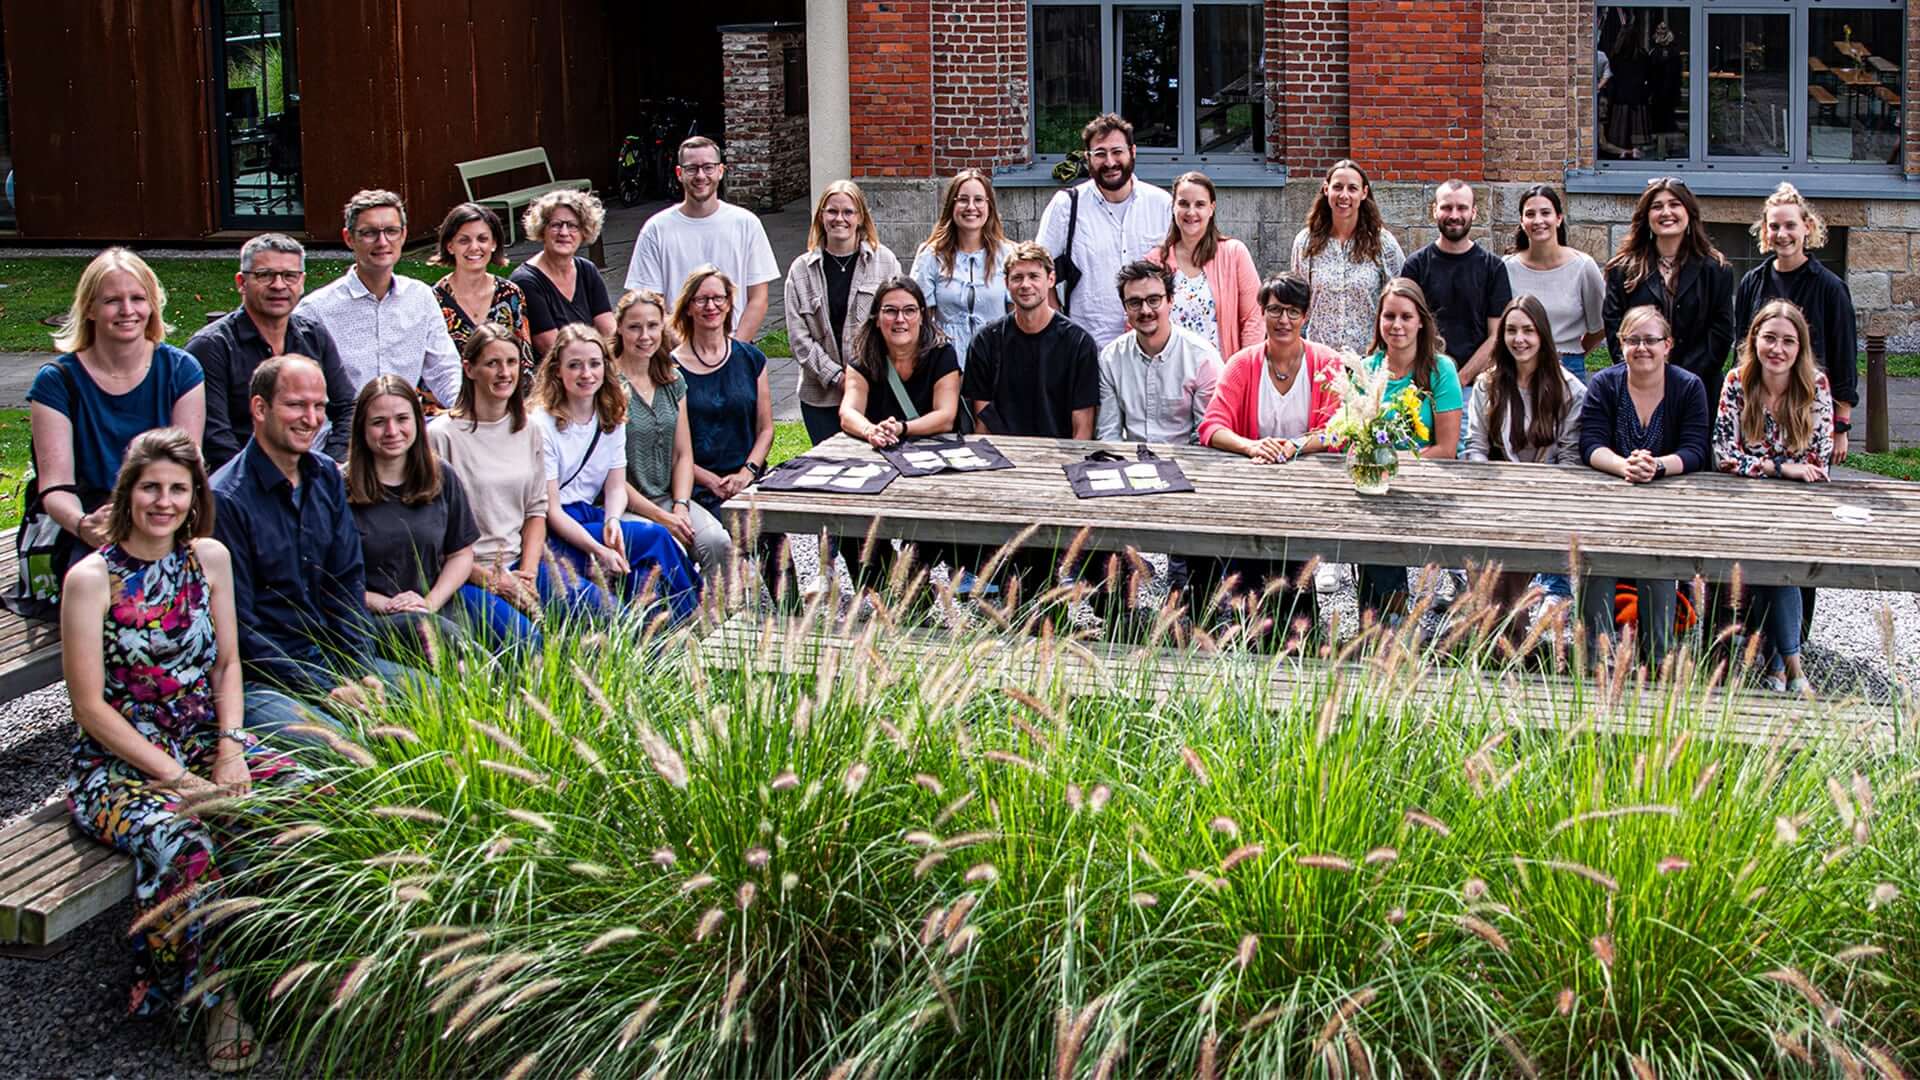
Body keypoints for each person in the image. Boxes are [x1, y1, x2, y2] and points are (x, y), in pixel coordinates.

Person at [61, 429, 306, 1070]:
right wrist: (176, 778)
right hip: (119, 765)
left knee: (305, 793)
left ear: (195, 494)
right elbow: (90, 707)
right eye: (151, 488)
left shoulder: (209, 559)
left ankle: (292, 973)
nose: (164, 502)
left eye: (177, 488)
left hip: (203, 737)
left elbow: (227, 664)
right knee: (187, 844)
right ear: (127, 493)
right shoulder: (90, 579)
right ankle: (213, 1000)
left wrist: (229, 751)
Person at [209, 355, 421, 737]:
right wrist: (325, 688)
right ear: (260, 408)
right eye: (296, 405)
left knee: (435, 702)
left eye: (319, 406)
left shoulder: (325, 476)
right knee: (339, 749)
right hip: (265, 676)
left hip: (335, 656)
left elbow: (346, 584)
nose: (311, 418)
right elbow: (240, 628)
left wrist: (362, 670)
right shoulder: (227, 500)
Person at [29, 247, 206, 592]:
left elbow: (185, 468)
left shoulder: (181, 371)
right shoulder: (56, 381)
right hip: (93, 520)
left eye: (138, 298)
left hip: (165, 511)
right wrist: (84, 526)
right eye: (112, 300)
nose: (127, 311)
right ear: (90, 308)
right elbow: (55, 485)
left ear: (152, 305)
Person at [428, 325, 590, 647]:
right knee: (531, 644)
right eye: (493, 363)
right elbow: (432, 535)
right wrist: (496, 582)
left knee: (602, 615)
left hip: (521, 565)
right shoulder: (441, 436)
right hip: (467, 576)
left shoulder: (527, 429)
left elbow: (536, 510)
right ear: (469, 368)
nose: (505, 373)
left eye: (512, 362)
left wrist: (527, 576)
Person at [530, 325, 699, 618]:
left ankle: (660, 640)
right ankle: (695, 616)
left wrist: (612, 520)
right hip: (554, 529)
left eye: (594, 364)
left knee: (640, 567)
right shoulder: (542, 424)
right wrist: (599, 549)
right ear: (557, 370)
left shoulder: (611, 413)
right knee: (655, 538)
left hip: (592, 515)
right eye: (575, 365)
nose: (586, 374)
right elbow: (552, 511)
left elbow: (616, 487)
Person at [1578, 305, 1712, 666]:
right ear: (1620, 344)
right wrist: (1626, 467)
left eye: (1651, 340)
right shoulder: (1605, 384)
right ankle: (1594, 660)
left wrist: (1656, 467)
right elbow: (1590, 444)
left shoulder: (1687, 386)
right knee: (1598, 560)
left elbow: (1697, 449)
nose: (1642, 348)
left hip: (1668, 504)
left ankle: (1658, 659)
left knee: (1659, 562)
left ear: (1667, 345)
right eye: (1632, 340)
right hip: (1613, 499)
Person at [1714, 300, 1833, 693]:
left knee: (1779, 565)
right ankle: (1788, 668)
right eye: (1769, 339)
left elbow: (1819, 461)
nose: (1777, 349)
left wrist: (1764, 464)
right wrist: (1779, 468)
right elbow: (1723, 455)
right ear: (1754, 340)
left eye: (1787, 341)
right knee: (1775, 567)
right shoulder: (1737, 382)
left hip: (1797, 506)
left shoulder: (1815, 386)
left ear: (1800, 347)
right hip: (1745, 501)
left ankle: (1781, 666)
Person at [1465, 295, 1589, 640]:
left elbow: (1568, 458)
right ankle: (1504, 640)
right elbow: (1475, 447)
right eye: (1512, 330)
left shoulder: (1569, 391)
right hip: (1496, 492)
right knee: (1487, 563)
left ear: (1543, 336)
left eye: (1528, 331)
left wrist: (1535, 495)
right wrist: (1489, 491)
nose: (1519, 339)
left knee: (1505, 577)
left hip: (1546, 497)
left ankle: (1501, 640)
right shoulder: (1488, 385)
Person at [187, 233, 355, 471]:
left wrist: (332, 461)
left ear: (302, 281)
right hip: (242, 483)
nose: (279, 285)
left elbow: (348, 406)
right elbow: (217, 438)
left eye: (289, 276)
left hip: (313, 469)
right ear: (241, 282)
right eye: (265, 275)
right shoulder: (212, 347)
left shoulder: (313, 336)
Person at [837, 279, 966, 586]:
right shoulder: (863, 358)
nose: (900, 320)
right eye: (890, 311)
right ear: (876, 317)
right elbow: (848, 412)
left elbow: (946, 416)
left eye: (909, 310)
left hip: (933, 465)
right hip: (882, 460)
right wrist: (871, 431)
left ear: (922, 314)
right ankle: (889, 592)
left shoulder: (942, 354)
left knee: (923, 537)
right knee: (851, 531)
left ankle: (913, 590)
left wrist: (902, 428)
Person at [1355, 279, 1465, 621]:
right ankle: (1382, 620)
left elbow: (1446, 448)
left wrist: (1390, 463)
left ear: (1421, 321)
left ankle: (1388, 619)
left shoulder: (1440, 370)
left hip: (1428, 482)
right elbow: (1357, 435)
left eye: (1406, 316)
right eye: (1389, 316)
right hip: (1377, 485)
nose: (1397, 325)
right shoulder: (1367, 369)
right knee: (1370, 521)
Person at [345, 376, 479, 655]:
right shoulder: (339, 487)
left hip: (437, 610)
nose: (392, 431)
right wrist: (385, 604)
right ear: (362, 428)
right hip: (373, 620)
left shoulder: (441, 476)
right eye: (378, 422)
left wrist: (427, 604)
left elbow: (461, 554)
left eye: (401, 419)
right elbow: (328, 575)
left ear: (418, 421)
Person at [299, 189, 461, 412]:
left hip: (404, 431)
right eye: (369, 233)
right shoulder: (316, 311)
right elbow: (300, 391)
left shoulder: (420, 298)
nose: (382, 242)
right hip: (342, 436)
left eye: (391, 231)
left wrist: (466, 416)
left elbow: (444, 371)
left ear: (403, 235)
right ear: (349, 238)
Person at [613, 289, 733, 585]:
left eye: (652, 326)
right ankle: (678, 622)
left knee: (717, 541)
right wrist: (662, 517)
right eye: (634, 327)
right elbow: (609, 473)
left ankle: (716, 620)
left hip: (670, 497)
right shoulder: (609, 385)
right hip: (625, 503)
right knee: (672, 549)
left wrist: (680, 504)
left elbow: (682, 453)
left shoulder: (672, 380)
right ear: (619, 329)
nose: (645, 336)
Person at [1732, 183, 1857, 466]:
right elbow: (1741, 347)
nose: (1782, 234)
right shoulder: (1752, 282)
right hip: (1758, 409)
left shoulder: (1830, 288)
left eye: (1790, 225)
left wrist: (1841, 426)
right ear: (1765, 231)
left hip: (1808, 409)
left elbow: (1844, 356)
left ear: (1807, 227)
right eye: (1774, 226)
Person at [622, 136, 780, 342]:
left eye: (708, 167)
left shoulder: (746, 224)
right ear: (679, 173)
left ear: (721, 171)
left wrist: (735, 351)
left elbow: (758, 299)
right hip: (676, 353)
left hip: (734, 346)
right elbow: (649, 303)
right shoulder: (656, 230)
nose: (700, 175)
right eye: (692, 168)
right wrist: (686, 352)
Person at [1036, 113, 1173, 346]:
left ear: (1133, 152)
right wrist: (1059, 327)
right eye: (1100, 154)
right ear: (1088, 158)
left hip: (1152, 348)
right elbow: (1038, 270)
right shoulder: (1067, 206)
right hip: (1089, 349)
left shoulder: (1162, 204)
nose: (1110, 162)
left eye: (1117, 151)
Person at [784, 179, 902, 443]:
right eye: (832, 211)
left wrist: (865, 376)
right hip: (820, 395)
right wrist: (837, 377)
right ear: (821, 217)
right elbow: (799, 338)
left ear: (860, 217)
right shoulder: (801, 270)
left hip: (875, 390)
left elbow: (899, 322)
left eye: (848, 212)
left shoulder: (885, 262)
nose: (840, 219)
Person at [1602, 177, 1735, 409]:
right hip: (1639, 388)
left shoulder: (1716, 270)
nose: (1666, 212)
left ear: (1689, 212)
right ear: (1646, 217)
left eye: (1674, 204)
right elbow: (1615, 328)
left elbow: (1721, 333)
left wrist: (1681, 380)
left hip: (1699, 389)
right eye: (1657, 206)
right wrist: (1645, 374)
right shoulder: (1622, 269)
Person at [1199, 274, 1344, 464]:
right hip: (1250, 473)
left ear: (1304, 316)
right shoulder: (1241, 365)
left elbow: (1340, 429)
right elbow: (1212, 427)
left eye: (1293, 311)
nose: (1283, 320)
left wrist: (1296, 445)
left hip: (1315, 475)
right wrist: (1250, 446)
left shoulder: (1328, 364)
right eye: (1275, 310)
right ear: (1262, 312)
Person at [962, 242, 1100, 439]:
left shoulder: (1079, 343)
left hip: (1062, 455)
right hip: (1002, 454)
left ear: (1051, 279)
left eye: (1034, 276)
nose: (1025, 285)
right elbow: (983, 424)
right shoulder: (985, 341)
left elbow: (1083, 428)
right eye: (1017, 277)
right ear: (1006, 283)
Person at [669, 266, 774, 516]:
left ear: (728, 304)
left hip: (749, 477)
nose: (711, 306)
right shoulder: (671, 369)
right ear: (688, 307)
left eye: (718, 298)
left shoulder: (752, 359)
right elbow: (669, 447)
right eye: (701, 299)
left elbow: (766, 429)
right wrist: (711, 482)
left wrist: (747, 472)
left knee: (776, 548)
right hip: (697, 486)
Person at [1400, 180, 1512, 386]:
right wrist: (1433, 380)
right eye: (1446, 207)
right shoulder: (1415, 266)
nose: (1454, 215)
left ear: (1474, 212)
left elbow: (1497, 335)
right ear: (1434, 211)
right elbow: (1406, 328)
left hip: (1476, 386)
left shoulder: (1493, 268)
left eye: (1462, 208)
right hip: (1424, 384)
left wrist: (1459, 380)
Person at [1289, 159, 1407, 357]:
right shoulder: (1305, 242)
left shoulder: (1382, 243)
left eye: (1352, 188)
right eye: (1337, 187)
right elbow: (1297, 303)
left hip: (1369, 363)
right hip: (1320, 360)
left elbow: (1401, 297)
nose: (1344, 195)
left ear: (1364, 193)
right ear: (1326, 190)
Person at [1096, 260, 1221, 444]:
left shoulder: (1202, 358)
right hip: (1131, 462)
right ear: (1125, 308)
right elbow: (1109, 434)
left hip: (1189, 462)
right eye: (1134, 302)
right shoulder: (1111, 358)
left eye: (1154, 300)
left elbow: (1207, 433)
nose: (1145, 310)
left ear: (1170, 300)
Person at [1146, 171, 1262, 359]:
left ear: (1212, 208)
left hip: (1221, 375)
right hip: (1168, 375)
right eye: (1183, 204)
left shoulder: (1234, 253)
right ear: (1173, 207)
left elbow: (1253, 318)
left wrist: (1245, 370)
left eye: (1200, 204)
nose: (1191, 212)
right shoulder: (1155, 261)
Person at [911, 168, 1015, 370]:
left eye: (978, 200)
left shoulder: (1008, 254)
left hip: (996, 361)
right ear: (952, 205)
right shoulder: (931, 255)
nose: (971, 207)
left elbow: (1016, 315)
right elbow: (921, 316)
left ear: (989, 206)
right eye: (963, 200)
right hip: (946, 363)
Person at [1503, 185, 1606, 382]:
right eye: (1530, 214)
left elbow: (1599, 326)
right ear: (1522, 222)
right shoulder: (1506, 267)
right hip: (1517, 367)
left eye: (1545, 213)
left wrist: (1573, 353)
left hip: (1568, 366)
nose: (1538, 220)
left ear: (1558, 218)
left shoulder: (1583, 267)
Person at [511, 189, 616, 356]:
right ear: (542, 230)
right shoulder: (526, 281)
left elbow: (610, 332)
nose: (564, 233)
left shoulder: (587, 270)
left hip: (593, 366)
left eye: (572, 225)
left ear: (584, 232)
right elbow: (551, 347)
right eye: (556, 225)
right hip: (554, 373)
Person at [430, 202, 532, 365]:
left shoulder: (511, 294)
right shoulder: (432, 301)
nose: (474, 247)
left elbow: (524, 360)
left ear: (494, 244)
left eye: (482, 239)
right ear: (450, 246)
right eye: (464, 240)